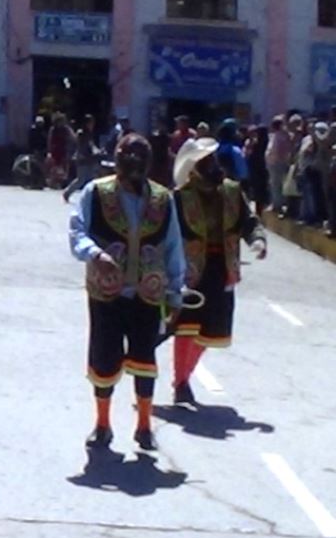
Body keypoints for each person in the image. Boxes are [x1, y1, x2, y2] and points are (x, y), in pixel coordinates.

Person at [69, 134, 185, 451]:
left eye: (138, 159)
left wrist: (176, 293)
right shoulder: (96, 192)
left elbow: (173, 246)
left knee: (144, 359)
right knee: (104, 357)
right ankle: (103, 424)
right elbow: (77, 229)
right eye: (127, 157)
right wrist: (95, 254)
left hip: (147, 293)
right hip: (106, 293)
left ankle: (144, 426)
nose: (132, 165)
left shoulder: (163, 200)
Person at [169, 138, 266, 406]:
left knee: (211, 331)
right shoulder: (180, 198)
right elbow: (166, 234)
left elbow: (248, 222)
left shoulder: (233, 192)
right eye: (204, 162)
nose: (211, 166)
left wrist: (257, 239)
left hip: (222, 269)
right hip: (190, 271)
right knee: (186, 327)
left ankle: (185, 374)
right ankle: (181, 382)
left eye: (212, 160)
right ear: (193, 169)